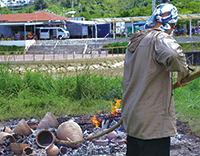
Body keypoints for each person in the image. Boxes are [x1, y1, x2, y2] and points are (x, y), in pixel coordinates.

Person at [121, 3, 193, 156]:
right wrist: (183, 72)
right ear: (172, 25)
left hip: (133, 117)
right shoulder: (159, 38)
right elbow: (173, 55)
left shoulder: (135, 40)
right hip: (152, 123)